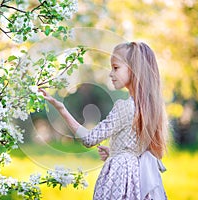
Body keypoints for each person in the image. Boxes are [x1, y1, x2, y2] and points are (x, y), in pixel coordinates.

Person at [39, 41, 168, 200]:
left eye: (116, 68)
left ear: (134, 69)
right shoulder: (149, 107)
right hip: (137, 178)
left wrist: (61, 109)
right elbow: (134, 148)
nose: (110, 74)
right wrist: (115, 153)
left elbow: (89, 139)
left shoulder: (124, 107)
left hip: (119, 178)